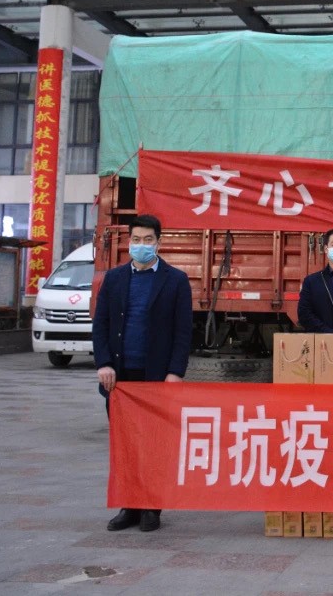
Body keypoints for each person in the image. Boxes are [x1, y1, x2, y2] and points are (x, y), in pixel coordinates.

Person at [91, 213, 193, 534]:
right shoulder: (114, 279)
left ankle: (151, 506)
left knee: (153, 443)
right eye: (136, 239)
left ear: (158, 242)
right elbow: (100, 324)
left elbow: (183, 332)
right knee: (126, 444)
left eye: (148, 240)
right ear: (129, 241)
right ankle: (129, 505)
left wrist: (175, 372)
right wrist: (104, 363)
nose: (142, 245)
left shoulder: (175, 281)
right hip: (120, 379)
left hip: (156, 378)